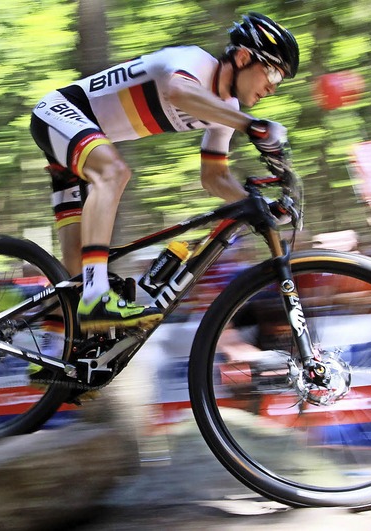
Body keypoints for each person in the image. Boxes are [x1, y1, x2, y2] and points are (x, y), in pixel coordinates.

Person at [30, 12, 299, 334]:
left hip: (76, 141)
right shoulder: (195, 62)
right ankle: (96, 297)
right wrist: (252, 127)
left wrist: (263, 208)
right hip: (58, 113)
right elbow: (179, 93)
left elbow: (213, 177)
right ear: (243, 57)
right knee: (114, 173)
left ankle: (59, 355)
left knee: (76, 274)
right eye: (273, 73)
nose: (272, 87)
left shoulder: (227, 112)